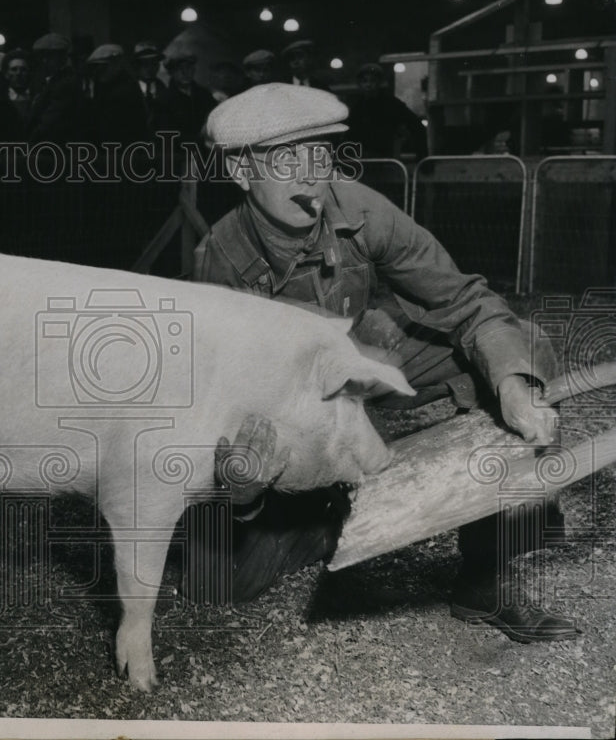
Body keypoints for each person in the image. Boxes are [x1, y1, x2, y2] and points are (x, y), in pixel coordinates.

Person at [192, 82, 579, 644]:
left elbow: (465, 299)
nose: (309, 176)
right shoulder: (217, 265)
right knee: (220, 582)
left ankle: (487, 577)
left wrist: (514, 385)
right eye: (283, 161)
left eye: (319, 155)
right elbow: (222, 407)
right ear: (239, 171)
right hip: (289, 403)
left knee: (524, 347)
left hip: (366, 359)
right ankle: (323, 515)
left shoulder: (361, 207)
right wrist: (247, 491)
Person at [345, 62, 427, 159]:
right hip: (361, 160)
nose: (368, 85)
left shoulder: (392, 104)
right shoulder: (355, 107)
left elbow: (416, 126)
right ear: (360, 84)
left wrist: (422, 156)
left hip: (384, 159)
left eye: (372, 81)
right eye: (365, 81)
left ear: (379, 83)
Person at [83, 44, 150, 145]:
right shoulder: (105, 85)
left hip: (122, 147)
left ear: (117, 64)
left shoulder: (125, 89)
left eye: (104, 66)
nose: (98, 72)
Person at [28, 32, 84, 144]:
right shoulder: (49, 81)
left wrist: (29, 143)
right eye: (42, 56)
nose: (44, 61)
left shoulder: (65, 83)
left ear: (62, 57)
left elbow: (50, 121)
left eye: (50, 56)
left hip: (55, 145)